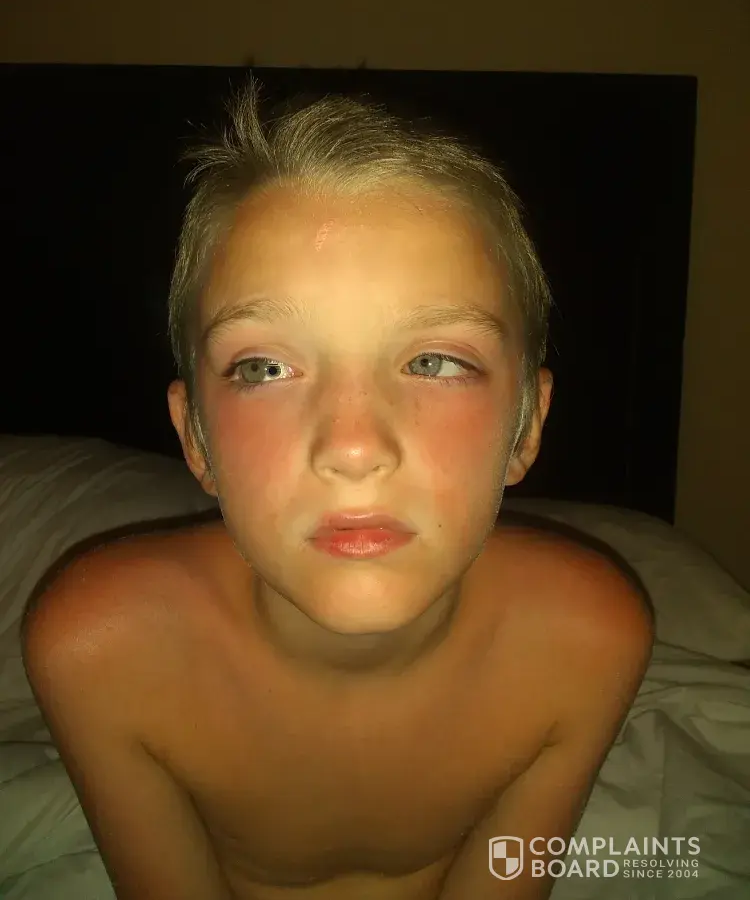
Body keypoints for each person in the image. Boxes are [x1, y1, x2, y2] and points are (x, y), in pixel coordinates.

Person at [21, 79, 654, 900]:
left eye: (434, 361)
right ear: (196, 437)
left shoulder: (592, 642)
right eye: (265, 368)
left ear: (526, 425)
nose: (353, 448)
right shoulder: (99, 652)